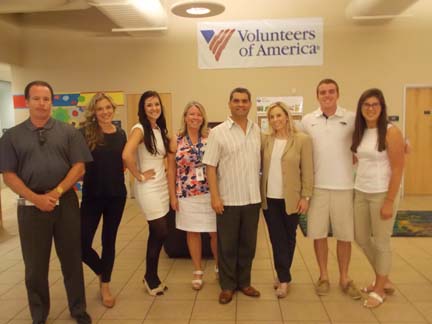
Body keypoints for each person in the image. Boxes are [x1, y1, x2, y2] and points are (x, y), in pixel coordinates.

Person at [0, 81, 93, 324]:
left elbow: (79, 166)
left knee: (72, 259)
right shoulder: (12, 136)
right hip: (30, 207)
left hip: (66, 203)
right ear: (27, 102)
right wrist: (36, 199)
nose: (42, 103)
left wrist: (57, 192)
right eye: (37, 98)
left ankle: (78, 309)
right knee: (35, 266)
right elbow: (8, 175)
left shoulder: (69, 132)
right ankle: (39, 314)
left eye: (46, 99)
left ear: (52, 101)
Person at [301, 79, 361, 299]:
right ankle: (324, 276)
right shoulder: (308, 121)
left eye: (331, 91)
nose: (327, 95)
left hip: (344, 186)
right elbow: (290, 139)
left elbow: (375, 129)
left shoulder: (352, 118)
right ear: (317, 96)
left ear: (338, 93)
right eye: (323, 92)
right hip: (317, 189)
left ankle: (344, 278)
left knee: (345, 236)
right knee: (319, 235)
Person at [203, 87, 261, 304]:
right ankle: (227, 286)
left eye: (245, 101)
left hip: (252, 198)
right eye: (236, 101)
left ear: (250, 104)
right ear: (229, 104)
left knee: (248, 245)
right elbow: (210, 167)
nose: (240, 104)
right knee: (227, 246)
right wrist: (215, 197)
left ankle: (244, 282)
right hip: (227, 199)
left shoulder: (257, 131)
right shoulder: (218, 133)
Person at [351, 88, 405, 308]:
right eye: (366, 105)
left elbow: (399, 168)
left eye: (375, 105)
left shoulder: (391, 132)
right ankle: (384, 277)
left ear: (382, 108)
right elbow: (358, 158)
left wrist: (390, 201)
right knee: (361, 237)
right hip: (361, 191)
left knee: (382, 242)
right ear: (361, 108)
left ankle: (380, 287)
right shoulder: (360, 131)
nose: (370, 109)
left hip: (383, 193)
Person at [260, 102, 313, 298]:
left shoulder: (302, 140)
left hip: (292, 198)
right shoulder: (265, 140)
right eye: (272, 117)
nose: (275, 120)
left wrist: (306, 197)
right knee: (277, 239)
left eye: (278, 115)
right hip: (270, 199)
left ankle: (283, 273)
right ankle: (283, 279)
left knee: (290, 237)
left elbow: (307, 171)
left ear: (287, 116)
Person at [80, 93, 127, 308]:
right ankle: (101, 270)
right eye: (100, 109)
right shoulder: (84, 134)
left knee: (109, 241)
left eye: (108, 107)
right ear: (94, 112)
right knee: (81, 244)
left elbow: (125, 162)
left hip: (116, 196)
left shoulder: (121, 134)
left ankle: (105, 285)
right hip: (92, 196)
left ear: (113, 109)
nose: (105, 112)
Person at [122, 90, 170, 296]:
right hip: (147, 187)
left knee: (156, 232)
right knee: (160, 231)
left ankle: (151, 277)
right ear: (143, 108)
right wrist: (138, 175)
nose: (154, 108)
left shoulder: (158, 128)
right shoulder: (140, 128)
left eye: (157, 104)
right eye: (149, 105)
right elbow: (126, 154)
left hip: (161, 185)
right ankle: (150, 277)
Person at [167, 101, 218, 290]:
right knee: (193, 232)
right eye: (191, 114)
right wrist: (172, 196)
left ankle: (219, 267)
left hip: (210, 192)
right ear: (185, 117)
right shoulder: (176, 138)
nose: (195, 117)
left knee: (215, 233)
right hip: (186, 193)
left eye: (198, 114)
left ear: (203, 117)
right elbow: (171, 169)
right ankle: (197, 270)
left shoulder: (211, 136)